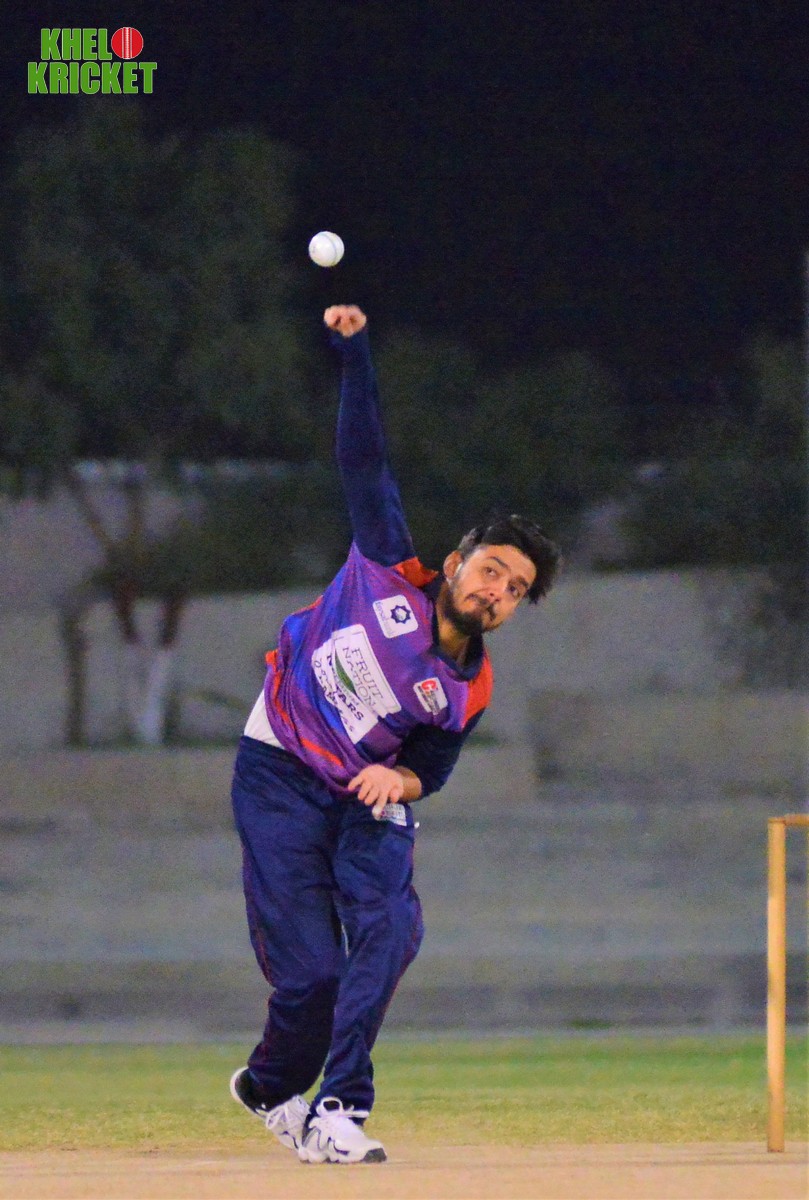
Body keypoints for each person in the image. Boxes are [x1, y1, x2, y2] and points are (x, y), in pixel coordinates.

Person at [229, 304, 560, 1164]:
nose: (495, 591)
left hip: (361, 793)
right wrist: (354, 357)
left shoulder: (467, 688)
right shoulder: (386, 565)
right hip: (278, 763)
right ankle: (268, 1087)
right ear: (456, 562)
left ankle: (339, 1108)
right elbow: (364, 460)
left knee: (389, 927)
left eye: (513, 590)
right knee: (311, 974)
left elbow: (430, 769)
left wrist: (398, 781)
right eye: (491, 570)